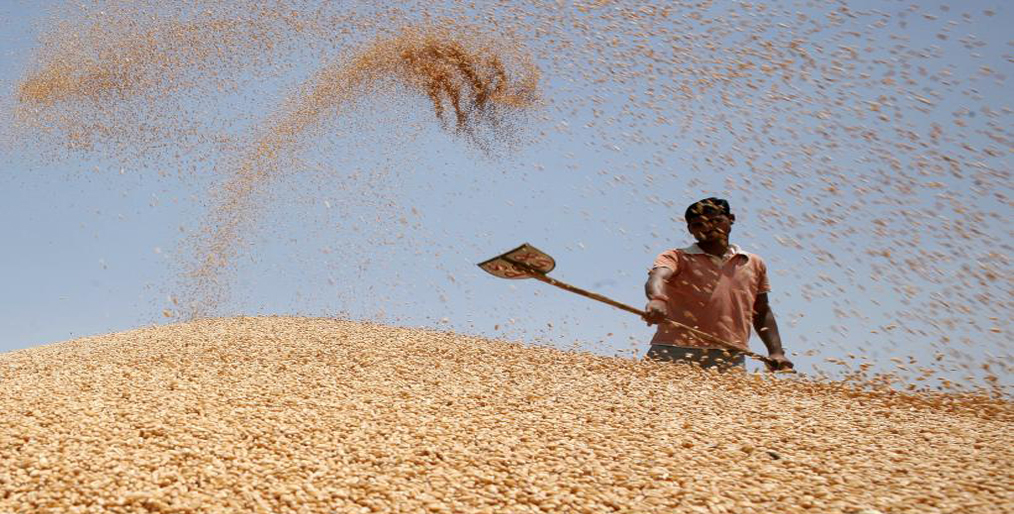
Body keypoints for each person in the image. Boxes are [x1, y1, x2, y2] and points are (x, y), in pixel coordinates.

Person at [642, 198, 793, 371]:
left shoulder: (753, 263)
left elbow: (761, 310)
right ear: (690, 229)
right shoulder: (676, 257)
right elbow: (658, 277)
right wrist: (658, 299)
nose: (708, 228)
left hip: (730, 355)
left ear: (731, 219)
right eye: (699, 224)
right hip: (672, 350)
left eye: (716, 221)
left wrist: (776, 352)